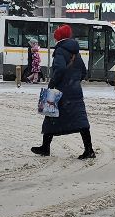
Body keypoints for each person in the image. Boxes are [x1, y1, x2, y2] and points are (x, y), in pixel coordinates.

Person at [32, 23, 94, 159]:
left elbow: (59, 69)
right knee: (80, 120)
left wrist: (53, 83)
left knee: (50, 116)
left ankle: (45, 147)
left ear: (58, 38)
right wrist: (74, 80)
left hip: (62, 91)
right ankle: (89, 150)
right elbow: (83, 71)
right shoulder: (75, 52)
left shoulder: (60, 51)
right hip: (75, 91)